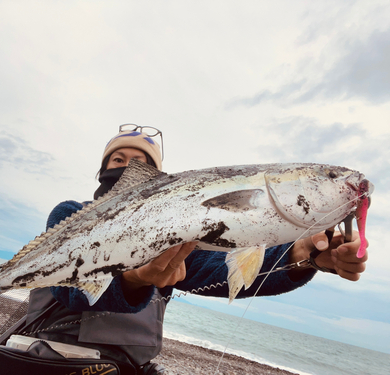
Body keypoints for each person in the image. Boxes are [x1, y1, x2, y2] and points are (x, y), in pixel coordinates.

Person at [25, 124, 368, 374]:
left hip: (127, 367)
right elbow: (68, 288)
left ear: (156, 180)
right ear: (102, 170)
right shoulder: (69, 215)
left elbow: (218, 272)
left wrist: (301, 255)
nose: (127, 166)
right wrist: (133, 281)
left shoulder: (182, 231)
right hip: (51, 356)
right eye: (117, 158)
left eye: (139, 162)